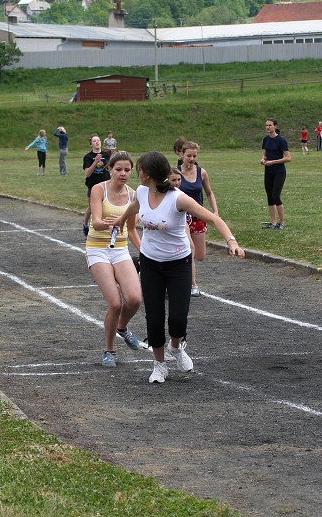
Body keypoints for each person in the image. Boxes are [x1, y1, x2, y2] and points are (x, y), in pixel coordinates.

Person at [113, 151, 245, 384]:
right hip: (151, 263)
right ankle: (159, 365)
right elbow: (133, 209)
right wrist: (120, 220)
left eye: (139, 169)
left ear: (149, 173)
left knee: (177, 317)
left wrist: (231, 241)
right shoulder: (142, 192)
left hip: (179, 264)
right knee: (154, 318)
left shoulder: (178, 198)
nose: (137, 173)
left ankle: (176, 347)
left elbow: (213, 218)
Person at [86, 151, 142, 367]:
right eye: (118, 169)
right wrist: (111, 223)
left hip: (120, 249)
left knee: (135, 299)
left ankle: (122, 328)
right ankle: (109, 350)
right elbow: (97, 221)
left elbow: (132, 229)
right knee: (115, 302)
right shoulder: (98, 189)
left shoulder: (133, 195)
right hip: (98, 249)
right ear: (109, 169)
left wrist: (145, 251)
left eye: (127, 170)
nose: (123, 173)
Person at [178, 141, 218, 297]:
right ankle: (192, 284)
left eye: (194, 156)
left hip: (198, 215)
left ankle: (178, 267)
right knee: (189, 249)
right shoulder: (175, 174)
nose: (192, 159)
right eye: (189, 156)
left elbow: (209, 192)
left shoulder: (202, 172)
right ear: (181, 155)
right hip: (182, 216)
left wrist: (214, 210)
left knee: (200, 255)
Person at [168, 167, 199, 294]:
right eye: (173, 180)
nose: (177, 183)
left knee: (191, 248)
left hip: (181, 223)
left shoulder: (181, 194)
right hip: (166, 227)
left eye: (179, 179)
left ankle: (192, 284)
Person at [260, 118, 291, 230]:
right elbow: (265, 155)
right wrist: (263, 160)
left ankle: (282, 223)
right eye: (266, 125)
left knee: (276, 196)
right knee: (269, 197)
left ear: (275, 126)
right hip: (268, 172)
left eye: (270, 125)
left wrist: (273, 162)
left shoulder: (281, 140)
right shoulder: (265, 139)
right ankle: (273, 223)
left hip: (279, 172)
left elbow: (288, 158)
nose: (268, 127)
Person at [82, 134, 111, 236]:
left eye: (98, 140)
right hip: (93, 186)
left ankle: (103, 227)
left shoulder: (106, 155)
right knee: (91, 208)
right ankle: (85, 225)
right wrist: (95, 162)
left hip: (106, 185)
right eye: (94, 141)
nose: (97, 142)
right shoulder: (88, 157)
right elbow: (87, 173)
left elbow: (110, 168)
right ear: (91, 144)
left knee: (105, 207)